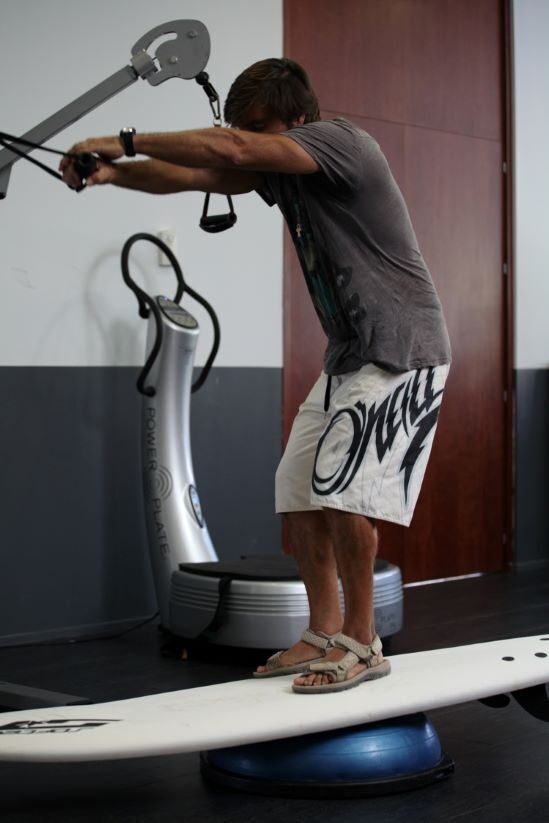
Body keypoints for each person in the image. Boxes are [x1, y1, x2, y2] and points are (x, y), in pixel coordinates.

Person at [61, 58, 451, 694]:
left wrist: (121, 139)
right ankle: (322, 631)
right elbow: (199, 173)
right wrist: (113, 174)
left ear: (297, 118)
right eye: (242, 126)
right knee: (297, 489)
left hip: (402, 347)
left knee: (344, 492)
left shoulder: (341, 143)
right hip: (349, 353)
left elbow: (232, 149)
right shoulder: (281, 170)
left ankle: (363, 640)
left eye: (258, 126)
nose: (246, 137)